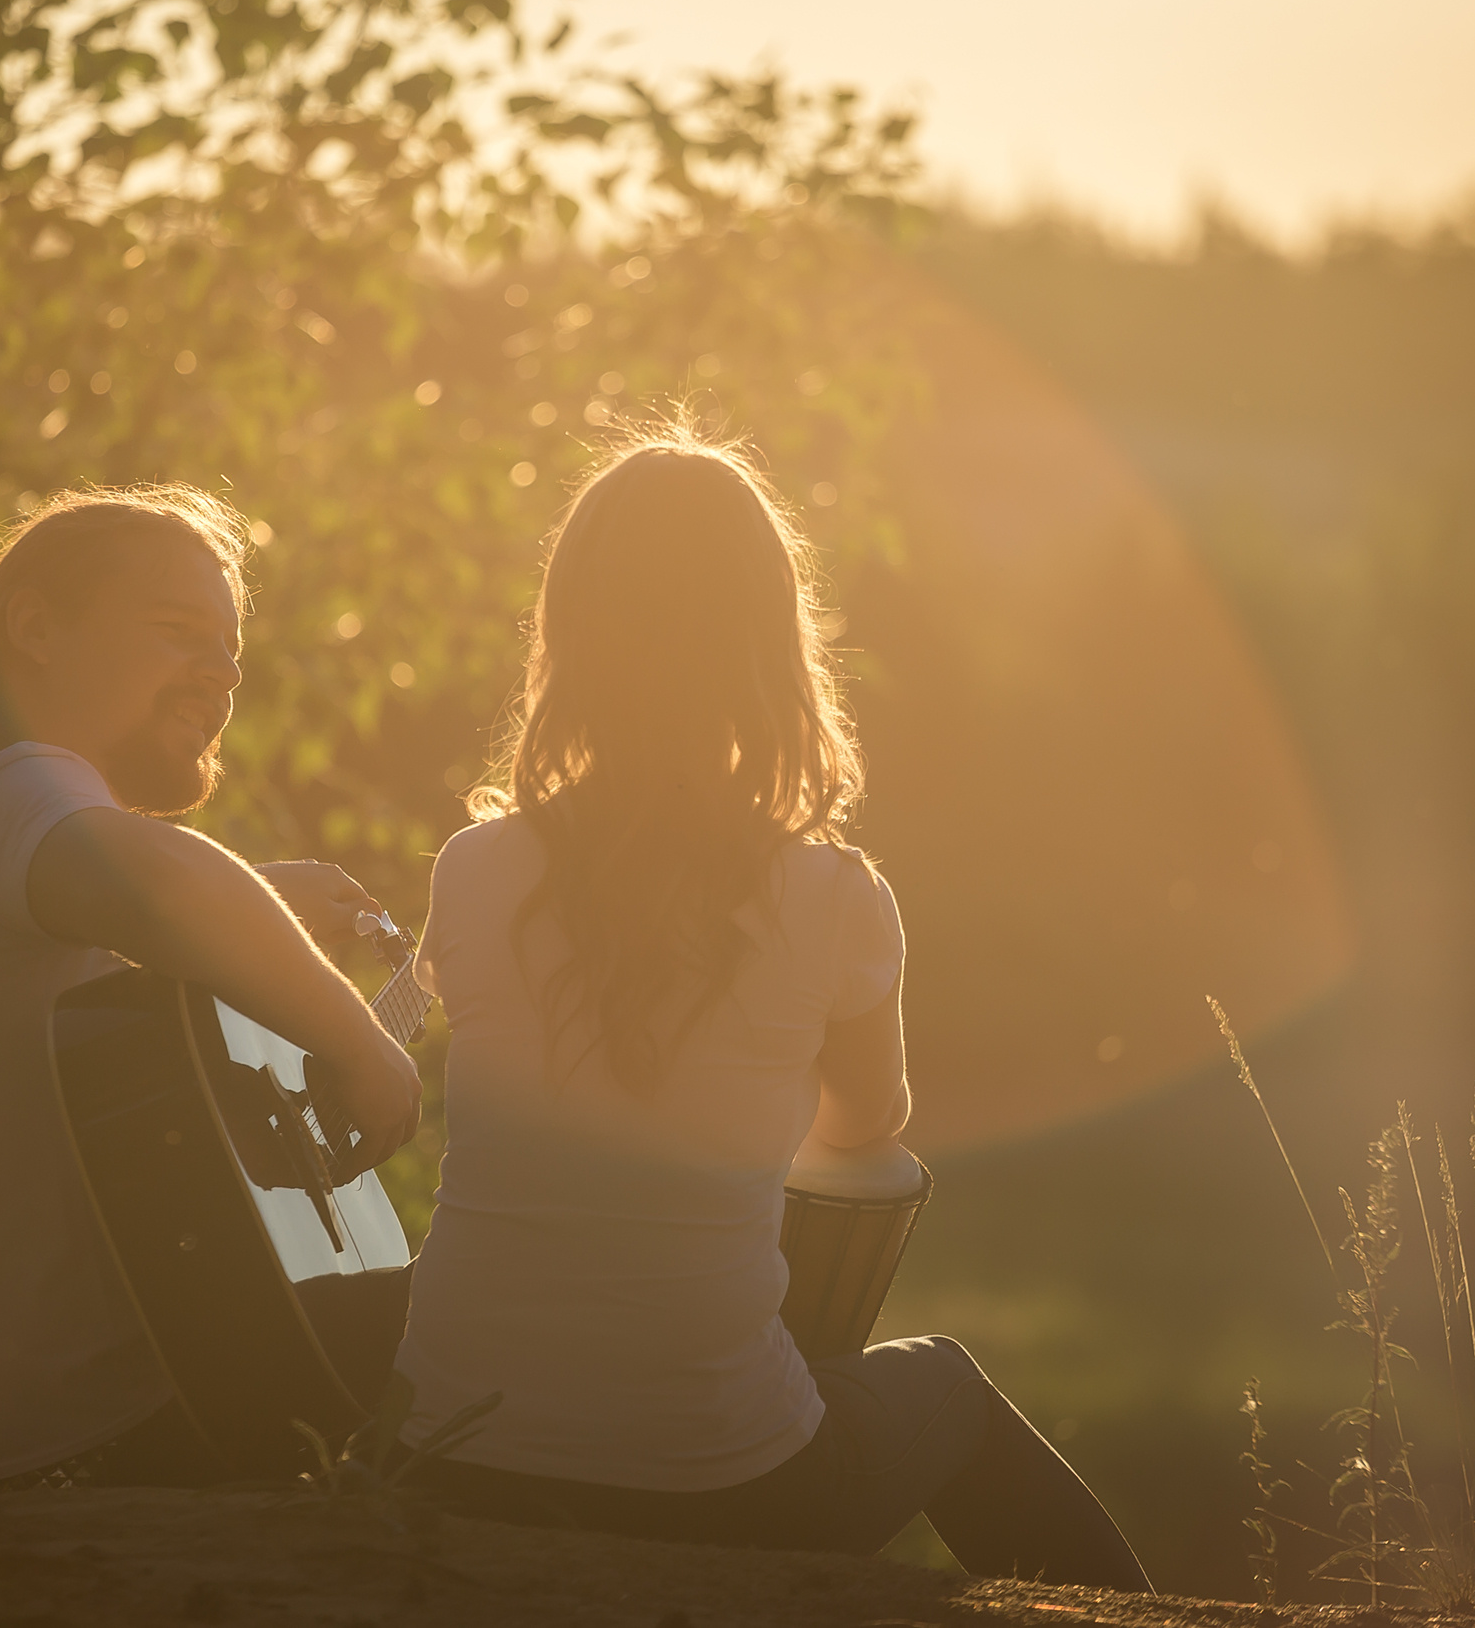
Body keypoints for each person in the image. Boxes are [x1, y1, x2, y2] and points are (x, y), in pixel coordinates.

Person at [395, 432, 1154, 1589]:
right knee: (943, 1381)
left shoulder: (474, 869)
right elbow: (864, 1133)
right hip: (720, 1484)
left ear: (567, 636)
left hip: (450, 1457)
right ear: (769, 649)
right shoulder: (833, 896)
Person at [0, 485, 421, 1489]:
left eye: (232, 650)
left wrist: (262, 910)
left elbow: (133, 924)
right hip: (112, 1444)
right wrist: (367, 1052)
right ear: (35, 627)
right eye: (177, 631)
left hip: (9, 1451)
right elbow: (164, 886)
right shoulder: (4, 784)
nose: (221, 671)